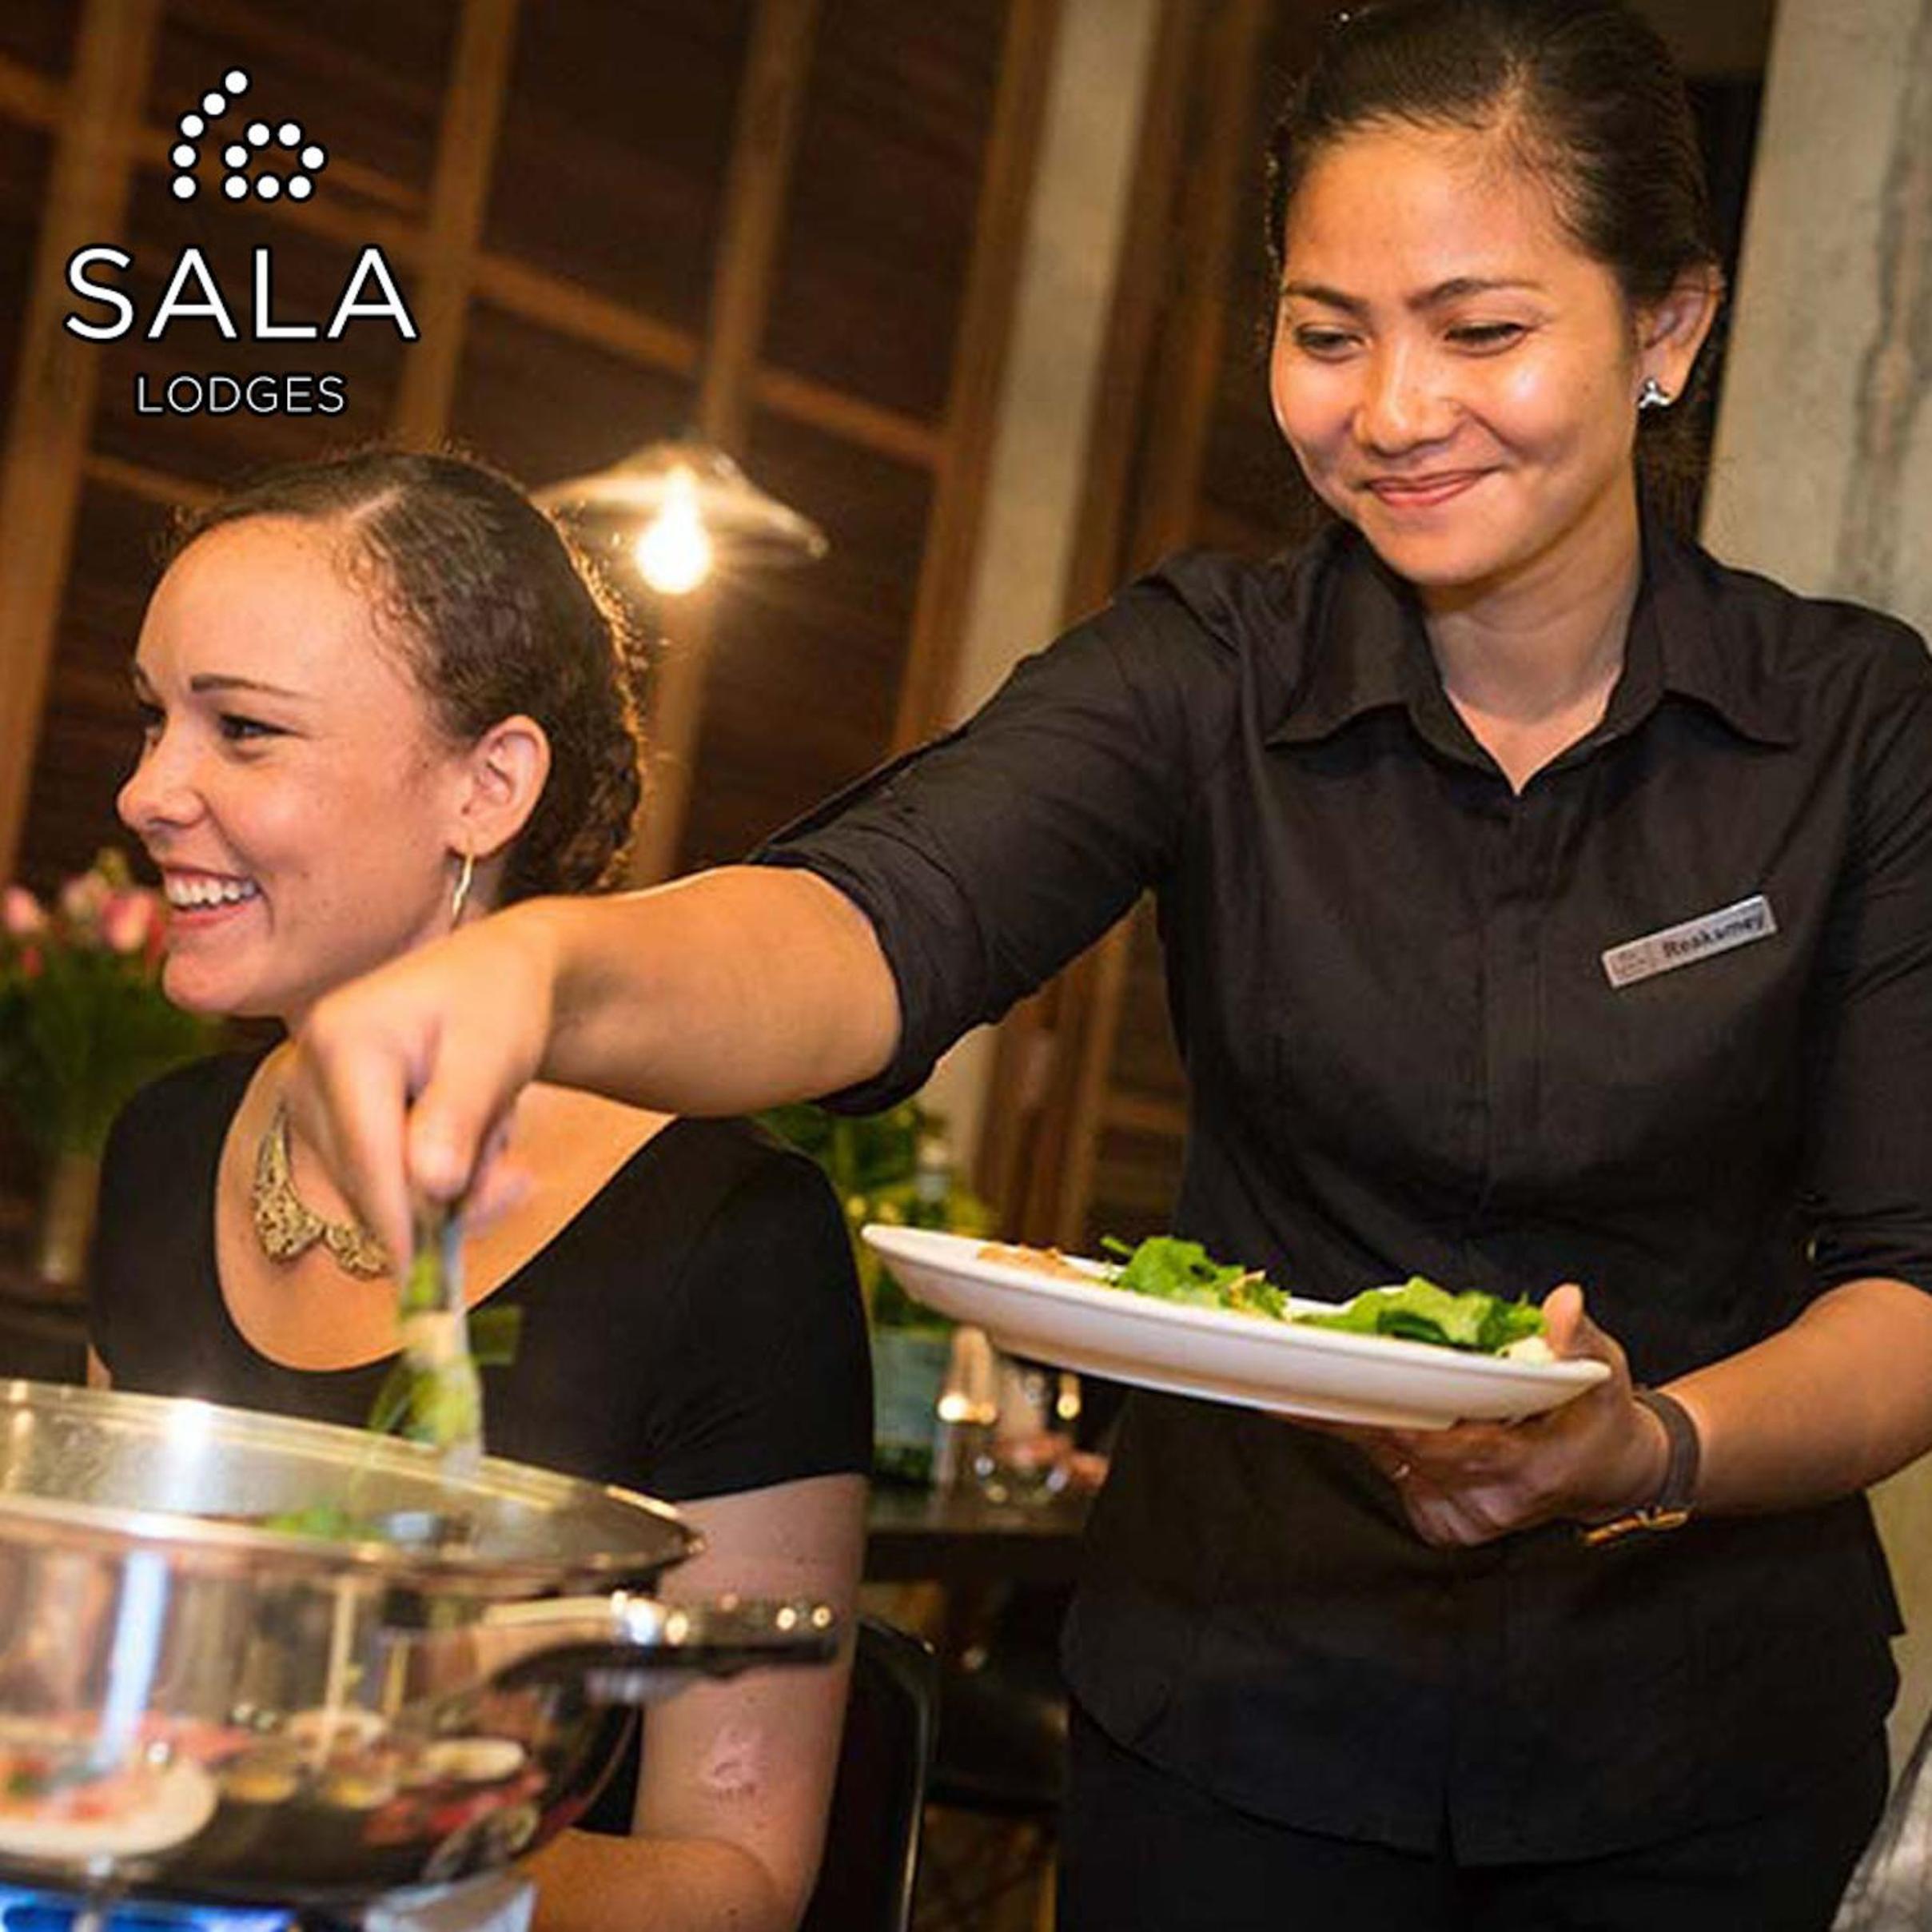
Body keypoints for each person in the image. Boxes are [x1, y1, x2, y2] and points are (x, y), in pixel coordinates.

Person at [269, 3, 1932, 1925]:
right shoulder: (1203, 671)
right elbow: (878, 919)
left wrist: (1656, 1444)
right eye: (1328, 334)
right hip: (1240, 1729)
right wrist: (555, 977)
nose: (1394, 411)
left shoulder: (1852, 729)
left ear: (1670, 327)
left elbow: (1911, 1290)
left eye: (1480, 331)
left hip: (1699, 1769)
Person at [87, 449, 871, 1932]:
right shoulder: (166, 1147)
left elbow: (741, 1879)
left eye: (242, 730)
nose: (147, 790)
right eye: (152, 716)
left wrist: (333, 1845)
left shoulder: (726, 1237)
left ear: (486, 786)